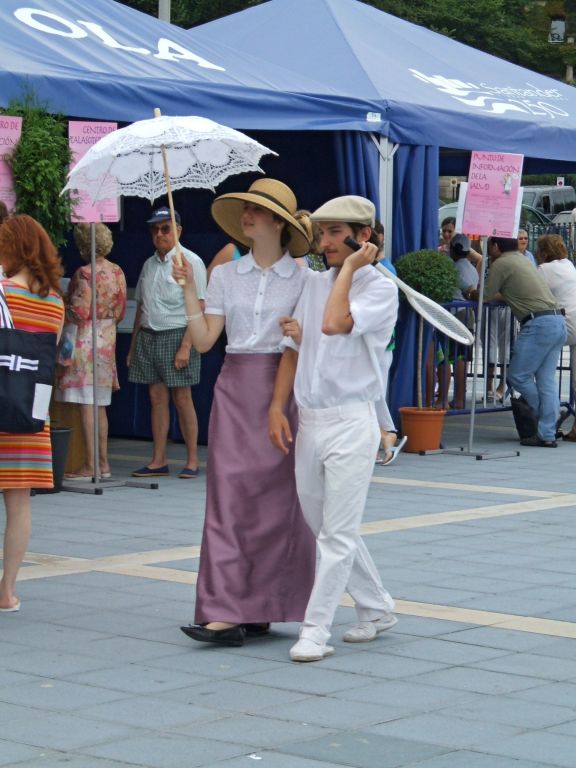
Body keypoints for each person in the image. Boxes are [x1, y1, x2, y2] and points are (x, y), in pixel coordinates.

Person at [175, 178, 316, 647]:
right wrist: (186, 291)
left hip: (281, 390)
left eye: (254, 211)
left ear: (278, 222)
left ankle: (260, 607)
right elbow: (203, 341)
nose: (246, 217)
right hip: (234, 389)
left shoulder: (305, 279)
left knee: (278, 504)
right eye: (244, 210)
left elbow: (306, 345)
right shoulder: (222, 276)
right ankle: (222, 608)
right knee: (228, 498)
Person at [269, 195, 398, 663]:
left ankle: (315, 629)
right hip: (312, 421)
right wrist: (277, 407)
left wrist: (346, 274)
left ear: (362, 237)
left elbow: (333, 324)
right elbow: (296, 345)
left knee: (336, 536)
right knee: (326, 526)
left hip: (351, 422)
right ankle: (377, 606)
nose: (322, 243)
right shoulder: (317, 283)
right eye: (321, 233)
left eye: (332, 233)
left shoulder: (380, 290)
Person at [0, 214, 64, 612]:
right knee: (19, 504)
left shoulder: (2, 292)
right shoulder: (55, 303)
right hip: (28, 412)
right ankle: (6, 591)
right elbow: (47, 359)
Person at [127, 207, 207, 478]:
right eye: (155, 229)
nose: (159, 234)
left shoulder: (190, 261)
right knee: (156, 397)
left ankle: (193, 460)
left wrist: (187, 345)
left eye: (165, 228)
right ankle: (158, 459)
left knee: (182, 397)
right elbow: (141, 307)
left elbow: (200, 305)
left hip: (177, 333)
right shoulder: (149, 265)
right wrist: (133, 345)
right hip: (149, 335)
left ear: (178, 231)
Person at [469, 236, 566, 447]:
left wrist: (470, 291)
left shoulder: (501, 263)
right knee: (546, 379)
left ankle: (549, 415)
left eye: (489, 245)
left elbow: (485, 295)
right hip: (557, 320)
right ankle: (547, 433)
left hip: (537, 325)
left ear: (495, 246)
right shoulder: (523, 259)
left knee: (516, 375)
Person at [55, 223, 126, 480]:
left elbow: (79, 312)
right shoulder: (117, 271)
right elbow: (120, 312)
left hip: (86, 340)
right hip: (107, 340)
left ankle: (90, 464)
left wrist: (64, 301)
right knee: (100, 405)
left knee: (86, 403)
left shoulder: (84, 274)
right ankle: (104, 464)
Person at [535, 234, 576, 441]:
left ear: (543, 252)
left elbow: (532, 292)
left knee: (543, 373)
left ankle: (546, 416)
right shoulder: (569, 265)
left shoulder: (544, 270)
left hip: (565, 324)